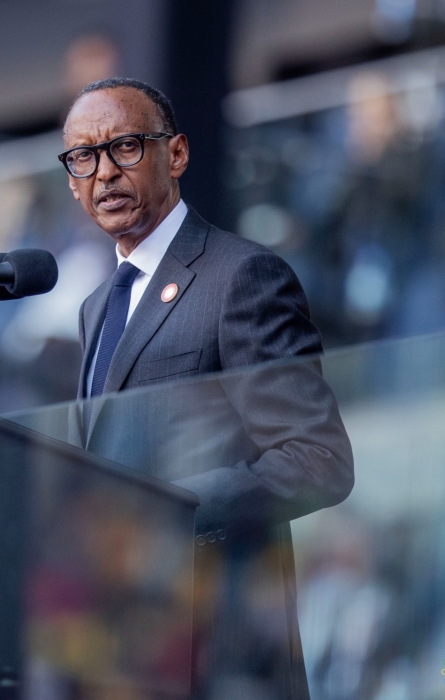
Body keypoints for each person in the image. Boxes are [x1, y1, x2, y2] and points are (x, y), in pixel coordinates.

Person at [62, 77, 354, 699]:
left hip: (220, 646)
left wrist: (168, 513)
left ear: (178, 154)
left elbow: (319, 459)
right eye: (84, 157)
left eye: (126, 148)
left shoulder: (241, 276)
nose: (104, 173)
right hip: (124, 661)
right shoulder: (94, 310)